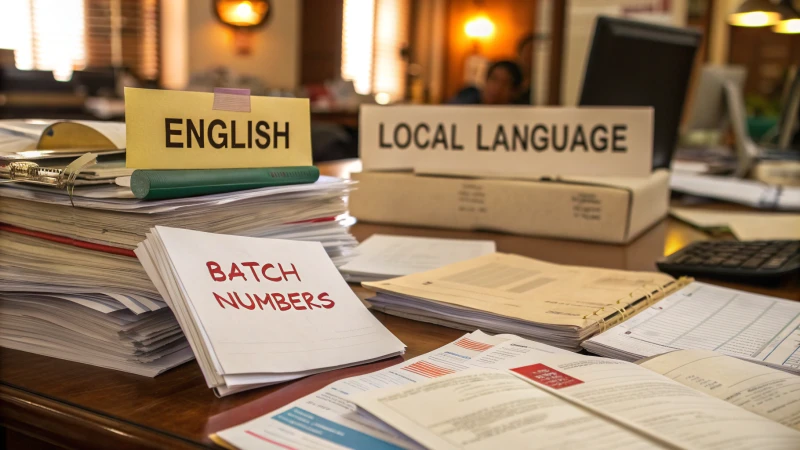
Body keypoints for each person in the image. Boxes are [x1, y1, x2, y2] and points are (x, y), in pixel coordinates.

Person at [450, 60, 524, 105]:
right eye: (494, 79)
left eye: (505, 83)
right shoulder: (464, 102)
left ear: (514, 92)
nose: (497, 88)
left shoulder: (518, 117)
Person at [515, 33, 535, 104]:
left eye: (534, 52)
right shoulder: (511, 79)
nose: (530, 57)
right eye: (528, 51)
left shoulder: (539, 88)